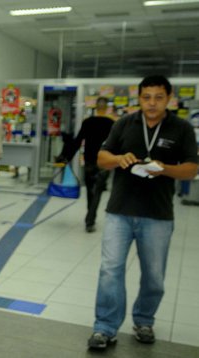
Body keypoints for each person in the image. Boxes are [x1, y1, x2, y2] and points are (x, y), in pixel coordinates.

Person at [87, 75, 198, 350]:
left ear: (169, 98)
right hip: (120, 212)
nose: (152, 103)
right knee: (110, 270)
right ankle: (105, 327)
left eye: (158, 97)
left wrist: (165, 168)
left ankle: (144, 320)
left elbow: (192, 168)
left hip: (157, 215)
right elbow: (102, 158)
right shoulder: (125, 123)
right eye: (146, 97)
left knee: (154, 276)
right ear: (139, 98)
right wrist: (118, 159)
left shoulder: (181, 128)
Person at [55, 97, 115, 232]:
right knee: (98, 190)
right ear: (106, 108)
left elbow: (77, 142)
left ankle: (90, 216)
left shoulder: (88, 122)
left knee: (90, 190)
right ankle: (90, 219)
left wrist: (64, 159)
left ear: (95, 107)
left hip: (89, 161)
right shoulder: (112, 124)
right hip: (104, 162)